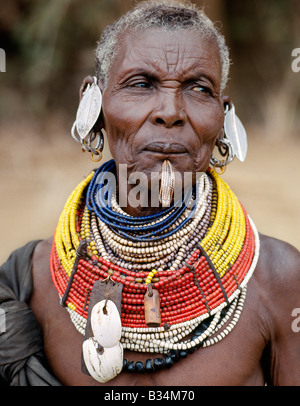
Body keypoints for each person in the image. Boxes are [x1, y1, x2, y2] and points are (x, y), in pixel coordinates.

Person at [1, 0, 300, 387]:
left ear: (223, 116)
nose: (171, 111)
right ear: (94, 101)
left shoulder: (278, 281)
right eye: (142, 84)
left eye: (198, 88)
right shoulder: (37, 280)